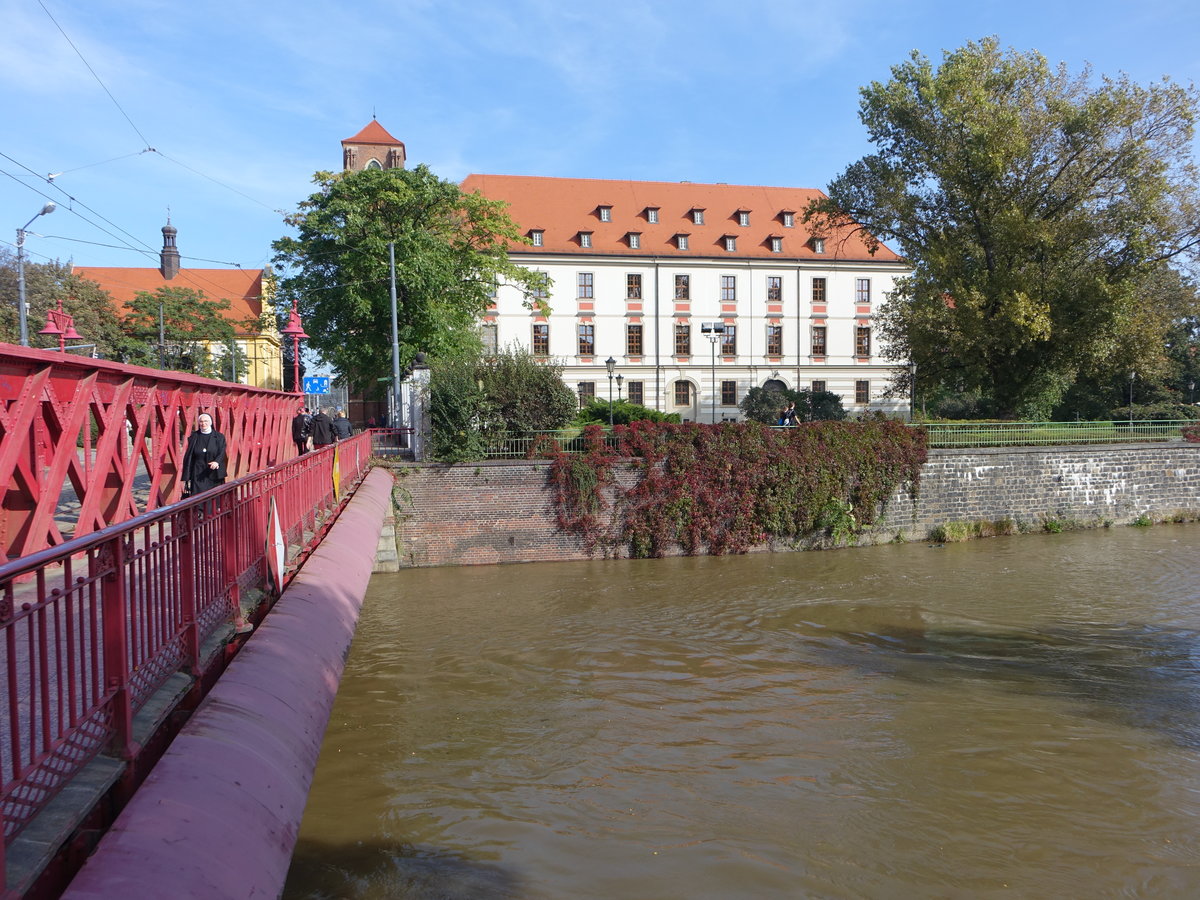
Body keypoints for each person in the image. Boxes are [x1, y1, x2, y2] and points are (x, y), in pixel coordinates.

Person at [182, 413, 227, 496]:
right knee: (198, 497)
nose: (203, 423)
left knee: (213, 498)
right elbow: (190, 454)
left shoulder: (219, 437)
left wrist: (217, 462)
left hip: (214, 472)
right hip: (198, 472)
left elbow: (222, 451)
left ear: (210, 422)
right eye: (201, 421)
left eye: (206, 421)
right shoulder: (194, 436)